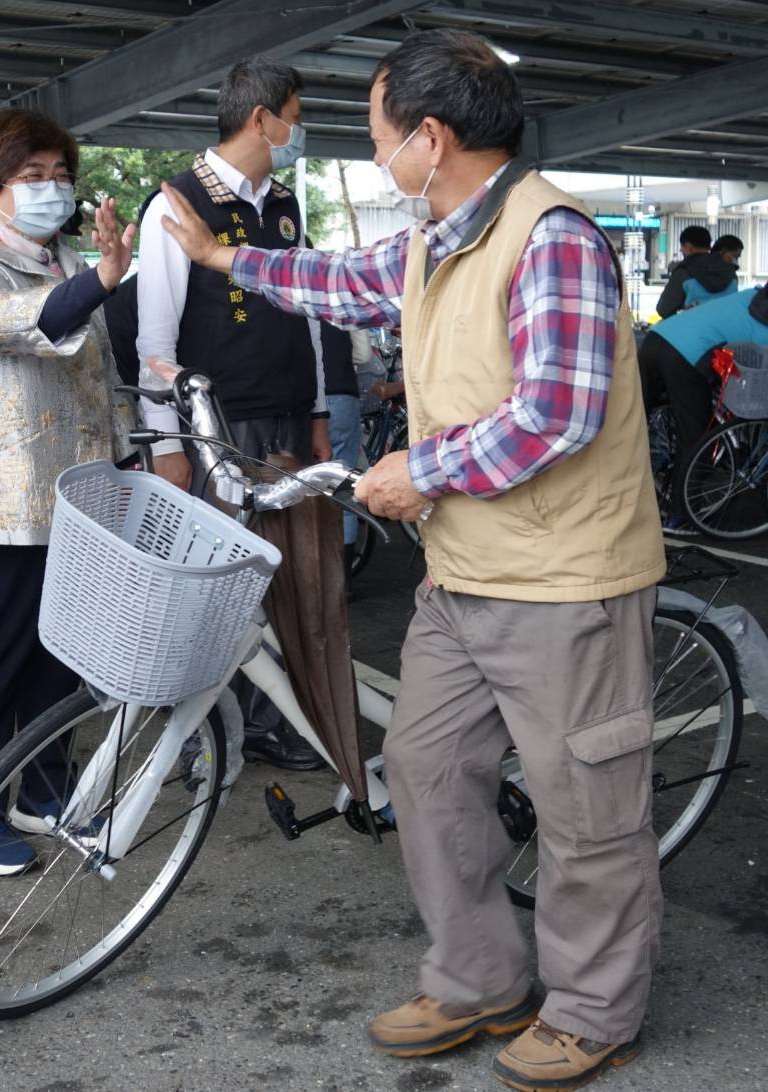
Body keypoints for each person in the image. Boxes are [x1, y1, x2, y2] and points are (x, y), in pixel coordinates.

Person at [160, 28, 665, 1091]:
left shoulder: (550, 237)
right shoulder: (435, 237)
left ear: (430, 138)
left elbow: (553, 415)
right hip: (465, 577)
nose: (373, 154)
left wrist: (419, 472)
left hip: (562, 581)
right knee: (428, 773)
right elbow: (340, 280)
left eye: (380, 135)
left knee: (585, 814)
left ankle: (591, 1009)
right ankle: (478, 977)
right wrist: (222, 258)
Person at [0, 108, 137, 875]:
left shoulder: (62, 257)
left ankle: (42, 788)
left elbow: (100, 370)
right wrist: (100, 282)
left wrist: (125, 458)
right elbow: (7, 324)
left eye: (58, 174)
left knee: (61, 656)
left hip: (77, 497)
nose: (51, 189)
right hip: (2, 509)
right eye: (30, 176)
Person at [134, 55, 330, 772]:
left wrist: (312, 410)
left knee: (276, 581)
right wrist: (166, 444)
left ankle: (266, 723)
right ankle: (187, 739)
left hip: (280, 418)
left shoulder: (281, 204)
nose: (297, 131)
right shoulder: (177, 204)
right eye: (297, 117)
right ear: (262, 118)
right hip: (214, 427)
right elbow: (153, 340)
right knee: (209, 586)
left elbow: (304, 311)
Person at [639, 288, 768, 531]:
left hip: (655, 339)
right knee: (695, 439)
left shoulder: (749, 295)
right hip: (684, 357)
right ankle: (681, 516)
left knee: (632, 422)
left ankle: (612, 502)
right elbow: (765, 373)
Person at [320, 318, 370, 592]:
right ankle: (344, 580)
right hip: (343, 394)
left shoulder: (289, 293)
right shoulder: (342, 293)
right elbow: (362, 354)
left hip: (305, 399)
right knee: (343, 487)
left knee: (306, 488)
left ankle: (315, 574)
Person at [656, 224, 737, 317]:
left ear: (689, 247)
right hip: (727, 329)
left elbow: (664, 310)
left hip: (693, 328)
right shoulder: (730, 272)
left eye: (682, 248)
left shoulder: (683, 272)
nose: (681, 251)